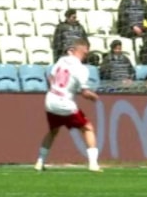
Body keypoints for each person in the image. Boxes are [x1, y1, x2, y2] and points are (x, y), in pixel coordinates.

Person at [36, 37, 102, 172]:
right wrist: (94, 97)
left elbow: (50, 77)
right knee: (87, 128)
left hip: (50, 99)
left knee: (53, 131)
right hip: (65, 103)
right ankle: (93, 164)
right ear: (85, 50)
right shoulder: (81, 69)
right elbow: (85, 92)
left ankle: (40, 161)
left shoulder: (61, 60)